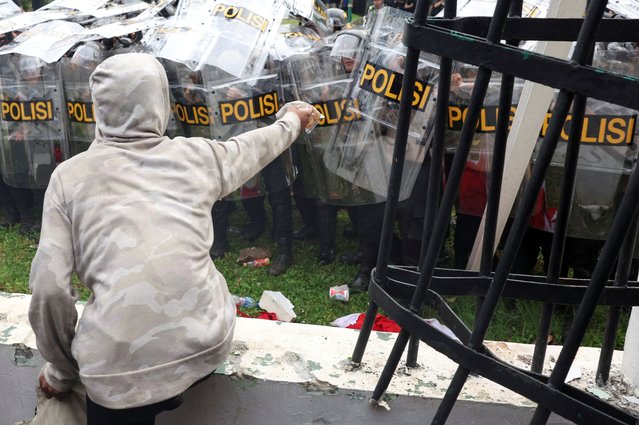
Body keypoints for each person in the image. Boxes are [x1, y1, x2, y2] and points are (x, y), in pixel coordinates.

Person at [28, 53, 314, 425]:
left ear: (98, 104)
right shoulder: (198, 157)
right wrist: (293, 118)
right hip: (206, 346)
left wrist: (61, 372)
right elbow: (256, 146)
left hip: (116, 373)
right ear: (160, 100)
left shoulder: (68, 179)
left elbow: (49, 289)